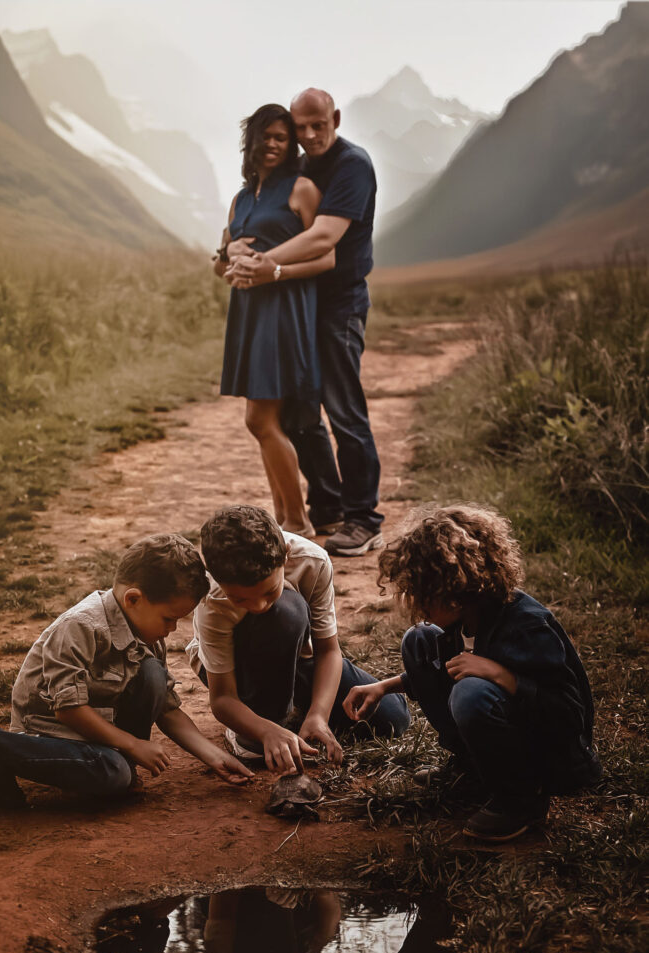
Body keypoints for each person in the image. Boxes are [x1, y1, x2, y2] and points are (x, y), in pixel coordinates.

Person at [343, 504, 602, 842]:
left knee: (471, 693)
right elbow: (446, 668)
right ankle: (475, 768)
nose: (417, 606)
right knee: (419, 640)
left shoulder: (526, 627)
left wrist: (500, 675)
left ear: (456, 592)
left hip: (552, 759)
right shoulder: (466, 619)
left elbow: (569, 714)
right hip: (505, 725)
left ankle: (520, 800)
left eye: (423, 596)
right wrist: (384, 687)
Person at [0, 534, 253, 809]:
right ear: (133, 599)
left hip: (101, 726)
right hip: (52, 735)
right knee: (113, 775)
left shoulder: (148, 636)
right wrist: (132, 744)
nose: (172, 629)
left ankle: (118, 764)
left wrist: (214, 757)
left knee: (152, 673)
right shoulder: (80, 627)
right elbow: (68, 710)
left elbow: (166, 709)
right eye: (169, 618)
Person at [226, 88, 382, 557]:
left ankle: (364, 519)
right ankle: (328, 507)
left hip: (339, 305)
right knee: (301, 416)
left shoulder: (351, 164)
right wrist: (233, 253)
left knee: (343, 411)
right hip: (302, 306)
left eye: (319, 125)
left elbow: (324, 236)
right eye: (302, 127)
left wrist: (265, 265)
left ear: (335, 118)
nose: (310, 135)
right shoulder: (302, 167)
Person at [187, 505, 410, 774]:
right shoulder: (211, 596)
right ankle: (256, 723)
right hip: (236, 670)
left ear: (286, 556)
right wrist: (265, 730)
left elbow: (328, 650)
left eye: (269, 591)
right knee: (283, 612)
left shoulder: (312, 561)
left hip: (295, 654)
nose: (257, 606)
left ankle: (296, 710)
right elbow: (222, 698)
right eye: (240, 599)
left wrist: (319, 714)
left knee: (392, 718)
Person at [213, 103, 335, 537]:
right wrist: (230, 257)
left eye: (281, 138)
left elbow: (327, 256)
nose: (272, 144)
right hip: (247, 311)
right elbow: (221, 263)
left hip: (284, 309)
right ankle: (285, 518)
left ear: (290, 146)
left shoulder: (301, 189)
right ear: (252, 140)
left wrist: (274, 269)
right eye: (265, 136)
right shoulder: (240, 200)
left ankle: (297, 520)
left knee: (260, 420)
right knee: (267, 421)